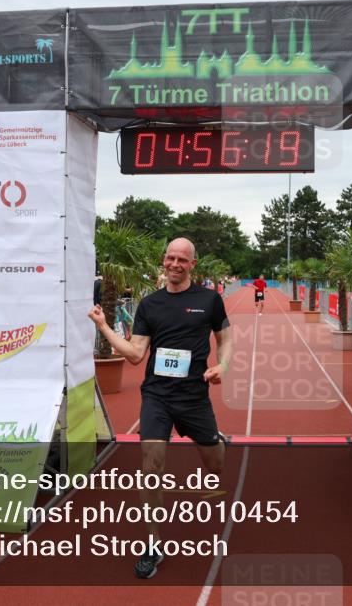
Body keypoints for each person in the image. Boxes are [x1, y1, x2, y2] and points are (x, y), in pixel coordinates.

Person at [88, 237, 233, 580]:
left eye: (182, 259)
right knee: (150, 464)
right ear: (163, 261)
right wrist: (103, 326)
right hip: (157, 396)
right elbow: (137, 353)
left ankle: (218, 440)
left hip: (195, 397)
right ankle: (153, 544)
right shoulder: (150, 305)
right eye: (170, 258)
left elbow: (225, 338)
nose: (175, 264)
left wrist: (222, 366)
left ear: (192, 265)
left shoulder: (209, 300)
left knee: (215, 465)